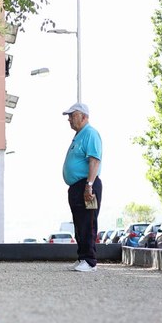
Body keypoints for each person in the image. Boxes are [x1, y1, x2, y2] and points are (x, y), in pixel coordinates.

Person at [61, 103, 102, 272]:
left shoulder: (90, 133)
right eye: (69, 116)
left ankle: (90, 261)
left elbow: (94, 161)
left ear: (84, 117)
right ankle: (82, 257)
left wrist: (89, 186)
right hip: (76, 186)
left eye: (72, 115)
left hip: (87, 184)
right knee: (79, 224)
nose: (69, 119)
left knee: (88, 223)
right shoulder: (79, 136)